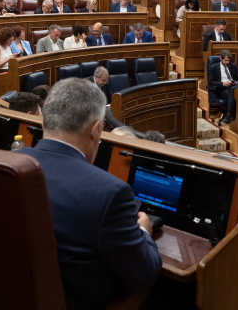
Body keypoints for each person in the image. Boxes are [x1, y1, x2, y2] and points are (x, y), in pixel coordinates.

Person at [20, 78, 161, 307]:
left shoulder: (11, 164)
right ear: (95, 130)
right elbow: (144, 275)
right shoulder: (110, 193)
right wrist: (144, 232)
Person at [207, 49, 238, 125]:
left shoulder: (233, 66)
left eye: (229, 60)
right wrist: (222, 84)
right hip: (222, 90)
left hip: (234, 87)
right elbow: (211, 82)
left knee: (234, 90)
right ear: (220, 58)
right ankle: (233, 117)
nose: (227, 62)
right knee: (235, 94)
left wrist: (236, 82)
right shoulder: (213, 67)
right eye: (225, 60)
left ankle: (229, 116)